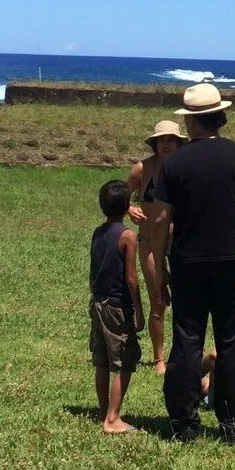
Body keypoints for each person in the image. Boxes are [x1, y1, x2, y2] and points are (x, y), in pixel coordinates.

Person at [148, 83, 235, 445]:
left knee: (187, 338)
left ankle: (183, 422)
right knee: (232, 341)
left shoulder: (174, 165)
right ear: (220, 117)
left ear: (190, 122)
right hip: (233, 259)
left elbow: (159, 220)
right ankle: (232, 423)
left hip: (188, 260)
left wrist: (161, 264)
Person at [127, 119, 187, 373]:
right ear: (154, 144)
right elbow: (118, 195)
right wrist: (129, 208)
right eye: (161, 140)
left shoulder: (187, 168)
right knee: (158, 299)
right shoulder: (142, 169)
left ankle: (184, 354)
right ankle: (159, 357)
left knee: (187, 301)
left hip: (181, 243)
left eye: (170, 139)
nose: (165, 144)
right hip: (150, 242)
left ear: (179, 142)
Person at [89, 179, 145, 434]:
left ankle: (103, 411)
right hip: (117, 305)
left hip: (98, 302)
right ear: (126, 207)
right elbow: (131, 278)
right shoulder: (128, 236)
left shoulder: (98, 233)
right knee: (124, 360)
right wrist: (139, 310)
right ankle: (113, 418)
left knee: (101, 360)